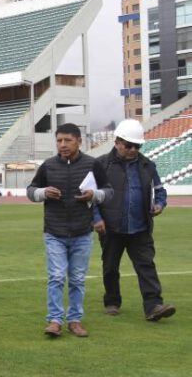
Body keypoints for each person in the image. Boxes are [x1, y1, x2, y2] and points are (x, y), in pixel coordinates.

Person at [27, 123, 112, 338]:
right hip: (54, 232)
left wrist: (94, 195)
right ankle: (55, 320)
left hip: (82, 232)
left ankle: (75, 320)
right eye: (59, 141)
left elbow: (109, 191)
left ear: (79, 141)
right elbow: (31, 190)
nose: (62, 145)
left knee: (77, 279)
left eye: (67, 140)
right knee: (56, 277)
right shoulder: (48, 165)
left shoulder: (93, 164)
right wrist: (43, 192)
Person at [93, 119, 176, 321]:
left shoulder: (148, 165)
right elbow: (92, 196)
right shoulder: (101, 164)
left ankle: (153, 306)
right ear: (117, 142)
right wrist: (96, 218)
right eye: (129, 145)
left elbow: (160, 190)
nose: (133, 150)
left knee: (146, 266)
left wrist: (160, 204)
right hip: (111, 228)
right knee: (110, 267)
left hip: (140, 227)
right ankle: (112, 301)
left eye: (137, 146)